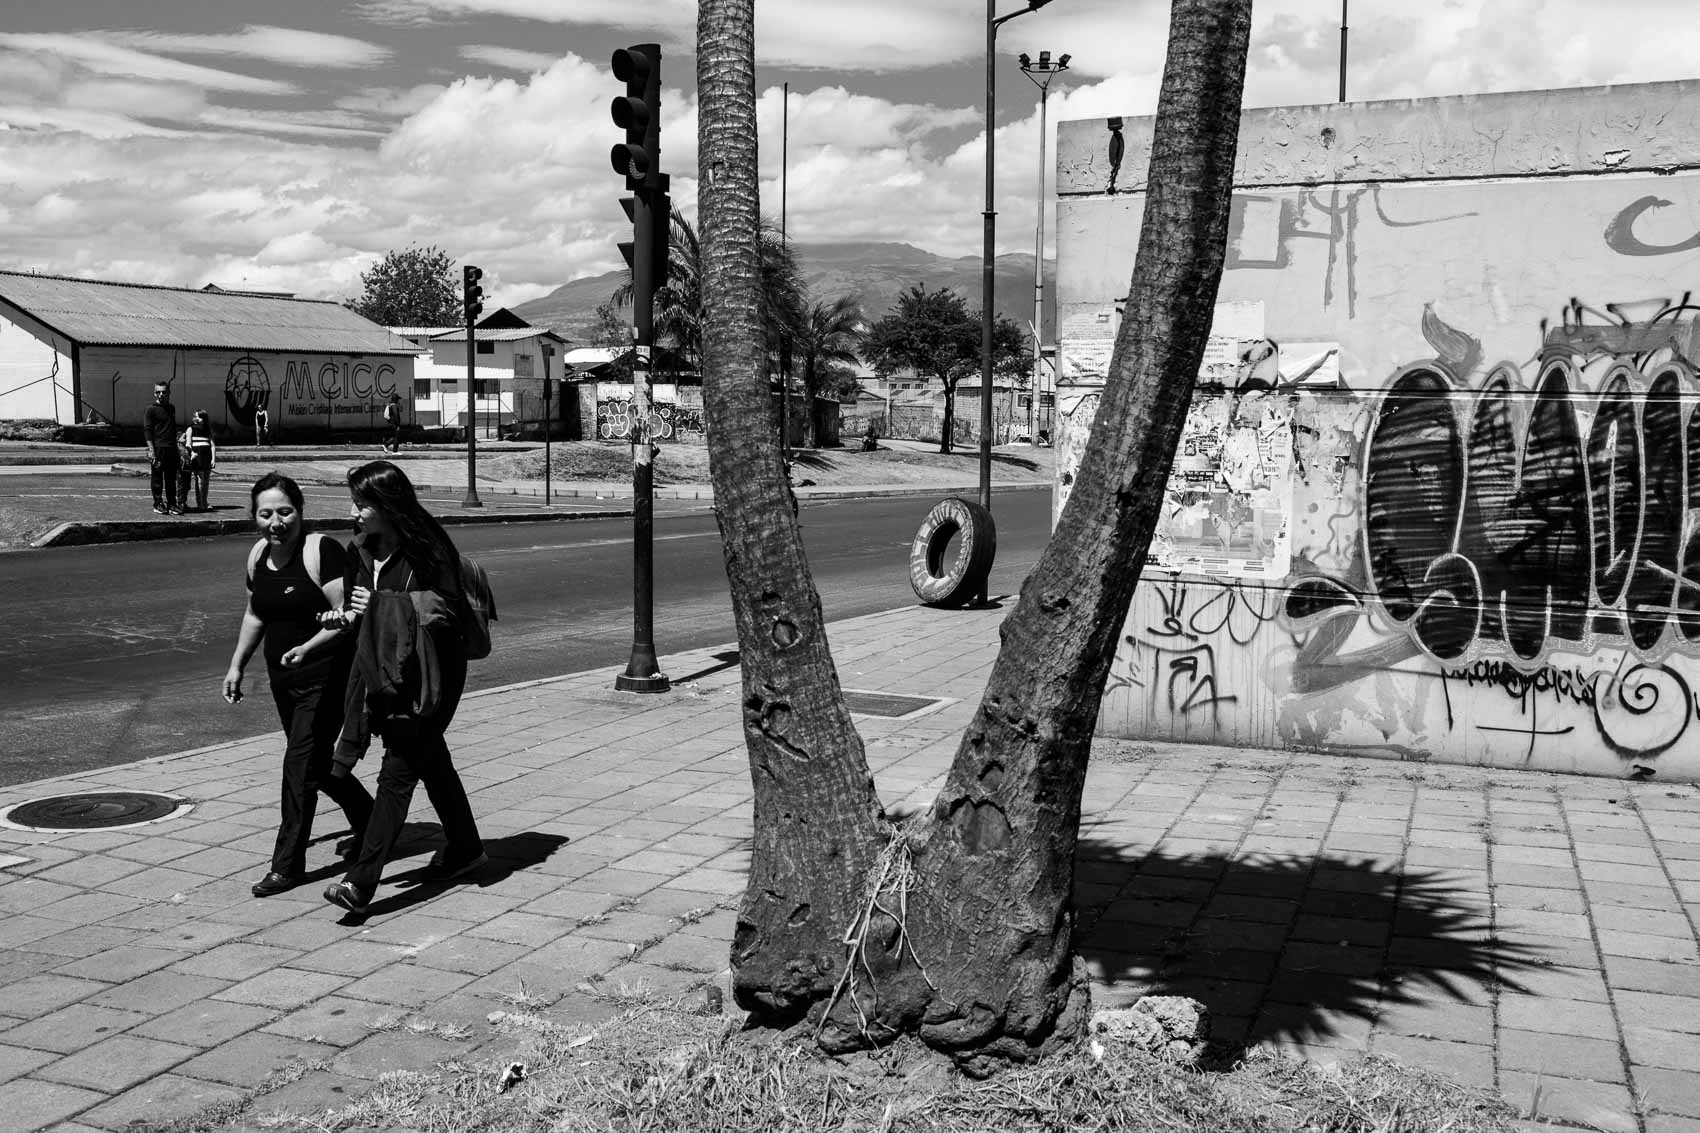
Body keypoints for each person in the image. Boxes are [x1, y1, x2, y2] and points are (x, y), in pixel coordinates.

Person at [324, 460, 485, 916]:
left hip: (431, 677)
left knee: (397, 773)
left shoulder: (429, 550)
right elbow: (361, 611)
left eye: (362, 505)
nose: (355, 513)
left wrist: (380, 605)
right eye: (354, 504)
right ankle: (467, 849)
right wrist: (347, 616)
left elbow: (443, 612)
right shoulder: (361, 550)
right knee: (432, 763)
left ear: (388, 506)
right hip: (385, 672)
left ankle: (361, 882)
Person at [223, 473, 373, 898]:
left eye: (284, 512)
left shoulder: (320, 551)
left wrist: (308, 647)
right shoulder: (258, 556)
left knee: (298, 767)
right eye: (265, 514)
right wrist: (236, 666)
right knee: (316, 764)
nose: (276, 522)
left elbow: (346, 616)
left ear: (300, 512)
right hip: (282, 680)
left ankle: (286, 866)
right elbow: (256, 614)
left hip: (326, 676)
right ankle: (372, 820)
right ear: (254, 517)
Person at [142, 382, 180, 515]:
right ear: (154, 393)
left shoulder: (171, 408)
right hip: (158, 448)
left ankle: (172, 504)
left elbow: (172, 428)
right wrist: (151, 450)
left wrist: (178, 448)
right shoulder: (150, 409)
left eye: (164, 392)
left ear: (169, 393)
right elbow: (147, 431)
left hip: (171, 448)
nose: (161, 394)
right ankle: (158, 503)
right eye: (158, 392)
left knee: (171, 478)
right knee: (157, 478)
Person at [182, 410, 216, 511]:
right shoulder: (190, 429)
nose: (197, 419)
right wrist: (192, 452)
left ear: (204, 419)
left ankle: (204, 502)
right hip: (197, 457)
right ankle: (200, 504)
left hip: (207, 457)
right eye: (196, 416)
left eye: (199, 417)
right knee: (200, 481)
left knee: (206, 482)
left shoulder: (207, 430)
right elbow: (188, 444)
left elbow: (213, 446)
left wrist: (213, 459)